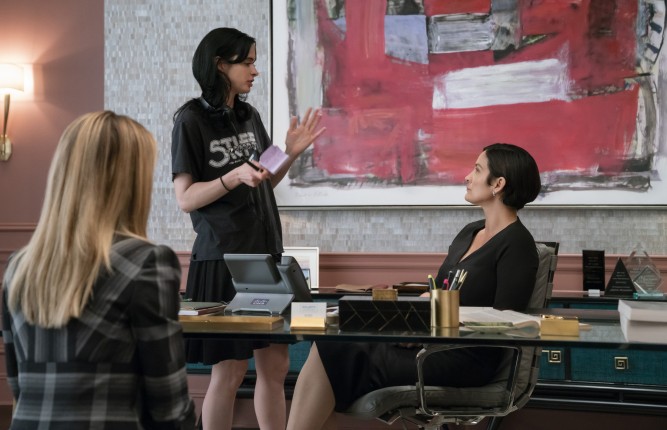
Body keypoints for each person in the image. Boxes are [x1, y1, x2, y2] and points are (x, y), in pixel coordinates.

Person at [286, 143, 542, 430]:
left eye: (477, 170)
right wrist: (416, 314)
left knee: (337, 349)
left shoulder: (518, 244)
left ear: (498, 184)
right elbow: (440, 290)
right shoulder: (469, 232)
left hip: (464, 358)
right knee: (333, 343)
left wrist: (431, 328)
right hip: (432, 343)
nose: (468, 177)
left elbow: (507, 321)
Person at [171, 27, 325, 430]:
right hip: (223, 258)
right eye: (248, 62)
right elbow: (186, 198)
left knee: (275, 365)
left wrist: (289, 153)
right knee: (230, 370)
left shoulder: (249, 115)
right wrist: (231, 177)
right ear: (220, 65)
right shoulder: (190, 119)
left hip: (265, 257)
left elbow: (262, 179)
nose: (255, 71)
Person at [1, 111, 196, 429]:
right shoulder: (148, 262)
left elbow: (19, 387)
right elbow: (169, 406)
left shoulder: (18, 267)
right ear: (131, 182)